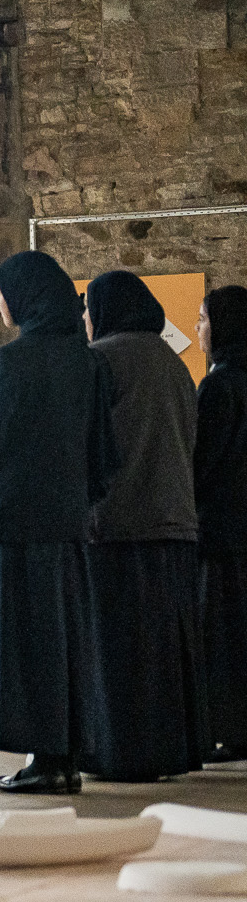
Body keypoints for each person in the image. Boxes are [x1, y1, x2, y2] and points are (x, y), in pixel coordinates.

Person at [0, 251, 118, 795]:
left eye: (2, 292)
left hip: (19, 524)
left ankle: (45, 761)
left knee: (26, 645)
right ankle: (66, 757)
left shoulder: (12, 361)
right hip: (69, 523)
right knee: (64, 641)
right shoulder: (87, 362)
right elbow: (103, 454)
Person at [79, 271, 206, 782]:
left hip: (119, 524)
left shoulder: (100, 361)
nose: (85, 319)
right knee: (163, 649)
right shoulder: (174, 365)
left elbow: (89, 444)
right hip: (175, 524)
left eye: (88, 309)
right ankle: (168, 750)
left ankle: (119, 753)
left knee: (118, 648)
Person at [194, 285, 247, 761]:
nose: (198, 329)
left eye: (204, 319)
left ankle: (232, 732)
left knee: (225, 636)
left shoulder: (220, 386)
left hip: (225, 533)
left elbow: (202, 463)